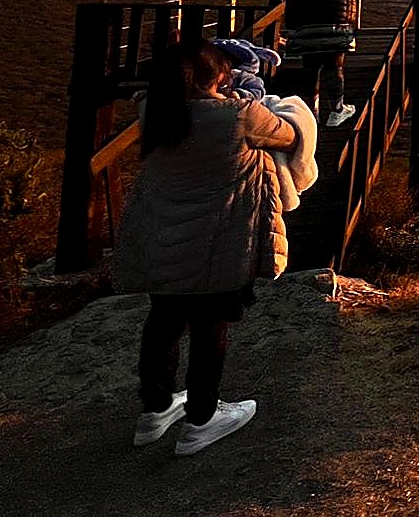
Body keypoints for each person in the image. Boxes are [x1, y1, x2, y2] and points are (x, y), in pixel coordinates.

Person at [114, 41, 298, 456]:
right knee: (209, 327)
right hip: (220, 242)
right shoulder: (240, 115)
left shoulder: (153, 112)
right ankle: (201, 419)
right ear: (218, 78)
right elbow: (287, 136)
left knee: (163, 322)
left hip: (163, 238)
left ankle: (154, 411)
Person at [279, 0, 361, 127]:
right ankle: (337, 110)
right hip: (337, 22)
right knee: (335, 66)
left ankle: (311, 112)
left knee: (310, 68)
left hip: (305, 23)